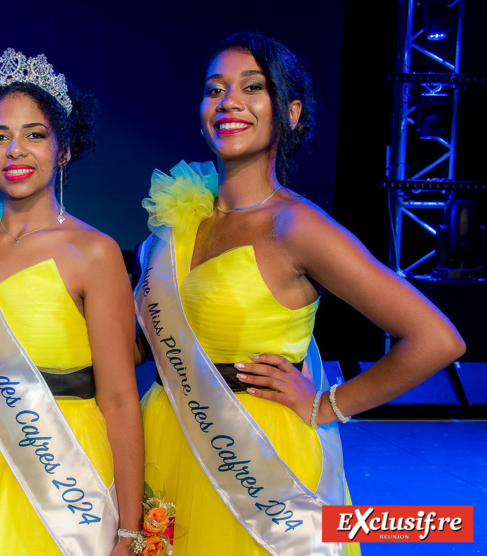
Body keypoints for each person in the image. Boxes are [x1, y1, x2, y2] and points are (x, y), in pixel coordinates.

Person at [137, 33, 465, 556]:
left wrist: (327, 405)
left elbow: (436, 339)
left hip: (259, 454)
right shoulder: (182, 214)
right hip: (166, 431)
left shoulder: (296, 226)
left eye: (252, 87)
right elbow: (145, 340)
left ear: (289, 113)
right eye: (215, 89)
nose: (229, 103)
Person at [0, 49, 144, 555]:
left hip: (64, 473)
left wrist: (130, 530)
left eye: (35, 134)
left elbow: (118, 398)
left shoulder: (94, 252)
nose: (15, 150)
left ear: (63, 151)